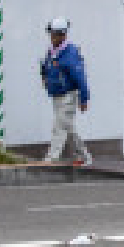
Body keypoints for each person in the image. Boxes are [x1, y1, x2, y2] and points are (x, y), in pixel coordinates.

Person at [40, 17, 92, 166]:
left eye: (54, 34)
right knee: (68, 127)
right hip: (56, 95)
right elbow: (45, 65)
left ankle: (51, 158)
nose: (51, 37)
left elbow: (80, 77)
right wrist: (44, 77)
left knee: (59, 127)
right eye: (50, 34)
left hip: (68, 95)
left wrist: (84, 99)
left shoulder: (70, 53)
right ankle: (84, 156)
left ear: (63, 35)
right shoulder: (52, 51)